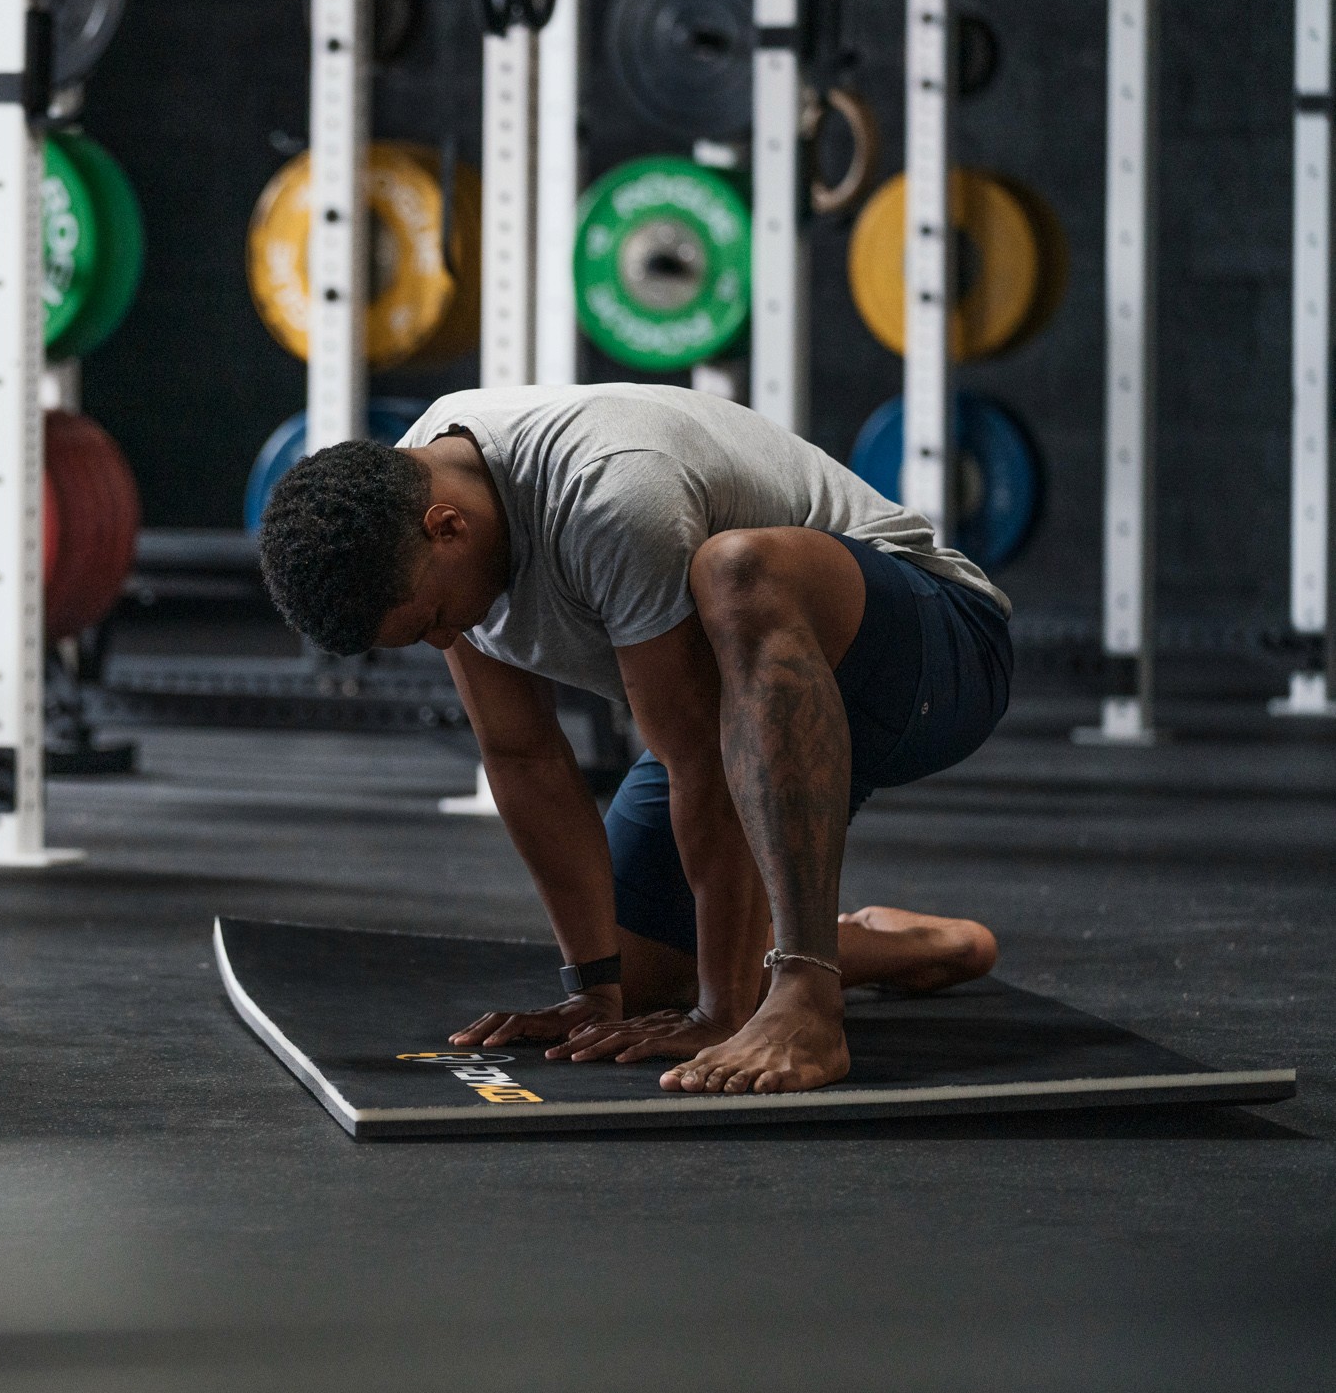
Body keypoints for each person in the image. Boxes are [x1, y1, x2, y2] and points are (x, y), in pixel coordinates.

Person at [256, 384, 1012, 1095]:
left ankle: (809, 996)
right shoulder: (418, 495)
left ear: (447, 526)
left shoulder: (610, 494)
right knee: (648, 976)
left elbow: (703, 766)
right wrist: (594, 992)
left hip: (934, 653)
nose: (451, 639)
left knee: (736, 568)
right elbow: (524, 756)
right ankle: (928, 949)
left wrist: (721, 1017)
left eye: (432, 620)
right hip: (747, 724)